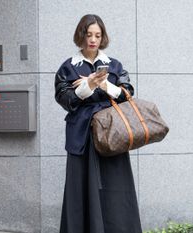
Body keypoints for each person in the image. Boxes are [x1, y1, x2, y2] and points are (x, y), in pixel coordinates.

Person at [55, 14, 142, 233]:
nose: (93, 39)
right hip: (81, 135)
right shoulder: (68, 67)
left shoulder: (114, 64)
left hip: (111, 133)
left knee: (116, 186)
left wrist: (103, 85)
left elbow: (127, 93)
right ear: (81, 35)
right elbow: (65, 99)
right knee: (79, 188)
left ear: (102, 37)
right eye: (88, 34)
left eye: (97, 35)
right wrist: (88, 86)